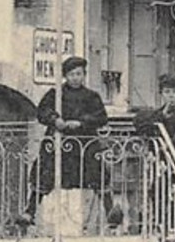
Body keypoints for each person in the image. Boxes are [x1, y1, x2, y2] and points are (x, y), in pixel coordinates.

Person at [26, 56, 111, 226]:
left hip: (84, 144)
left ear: (84, 75)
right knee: (45, 172)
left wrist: (81, 122)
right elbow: (42, 111)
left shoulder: (91, 96)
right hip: (58, 143)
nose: (75, 78)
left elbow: (101, 117)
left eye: (79, 74)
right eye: (72, 74)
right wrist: (55, 119)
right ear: (66, 76)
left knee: (97, 173)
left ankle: (110, 212)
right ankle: (30, 212)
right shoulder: (55, 94)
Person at [134, 73, 175, 141]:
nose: (171, 96)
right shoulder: (153, 116)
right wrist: (162, 115)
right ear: (161, 94)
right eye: (167, 92)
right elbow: (145, 131)